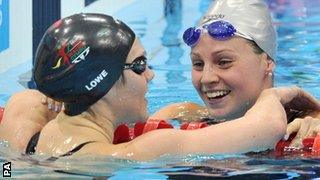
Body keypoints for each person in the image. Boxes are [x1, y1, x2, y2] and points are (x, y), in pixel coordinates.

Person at [0, 13, 315, 161]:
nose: (150, 75)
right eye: (139, 66)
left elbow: (8, 172)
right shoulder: (139, 150)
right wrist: (280, 93)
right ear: (104, 83)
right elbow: (268, 126)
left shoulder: (20, 124)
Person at [151, 0, 320, 148]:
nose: (207, 78)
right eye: (198, 64)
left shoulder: (308, 126)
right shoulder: (180, 115)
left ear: (267, 62)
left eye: (224, 62)